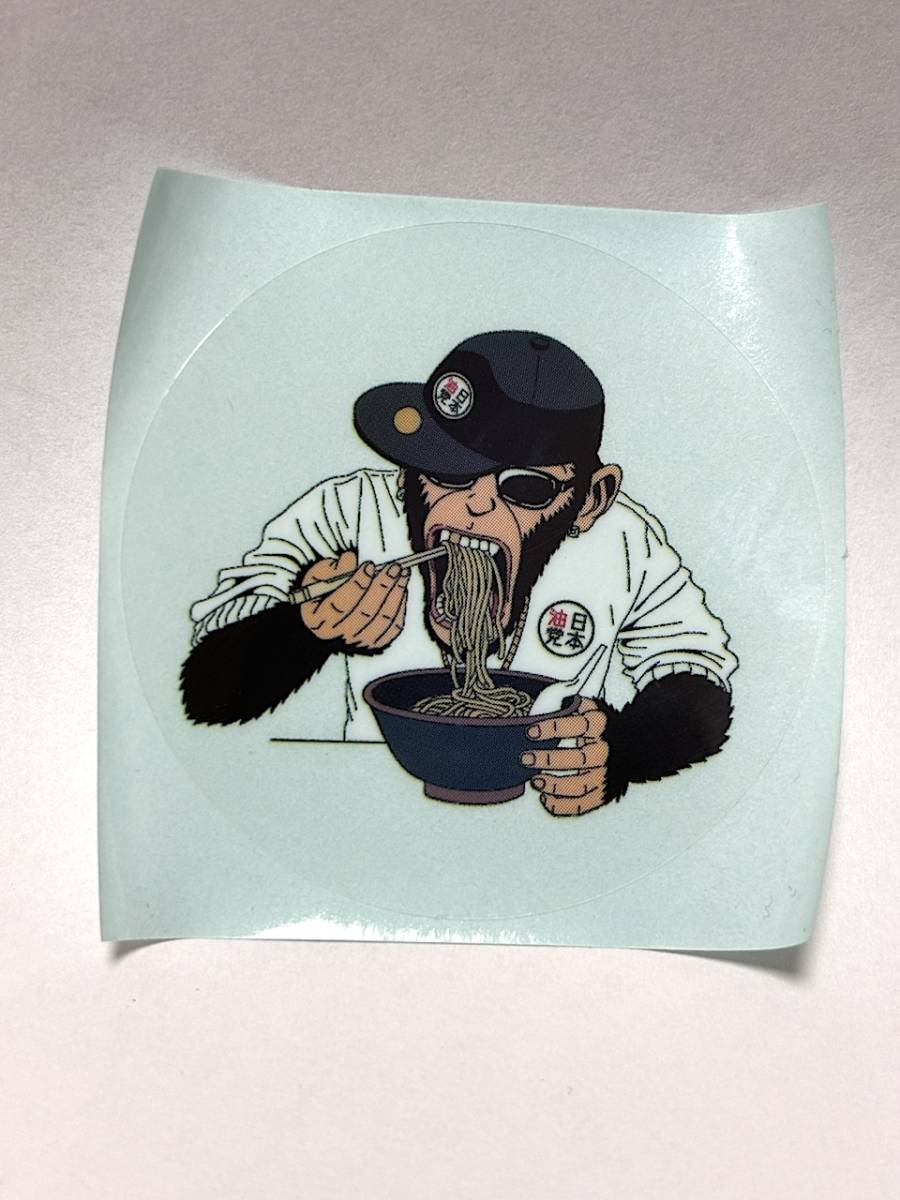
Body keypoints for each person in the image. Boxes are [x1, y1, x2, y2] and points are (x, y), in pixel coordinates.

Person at [181, 330, 738, 816]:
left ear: (589, 500)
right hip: (367, 813)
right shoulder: (350, 511)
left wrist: (627, 749)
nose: (477, 503)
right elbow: (207, 691)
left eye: (525, 486)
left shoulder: (623, 541)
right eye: (449, 471)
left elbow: (698, 672)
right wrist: (300, 631)